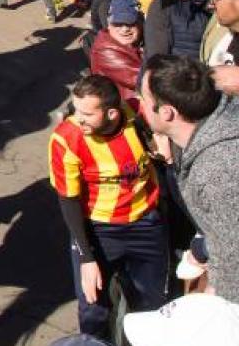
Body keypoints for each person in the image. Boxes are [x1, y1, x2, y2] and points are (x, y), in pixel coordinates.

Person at [48, 74, 166, 341]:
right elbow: (68, 201)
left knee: (150, 309)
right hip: (98, 231)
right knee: (93, 312)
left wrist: (164, 142)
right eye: (75, 109)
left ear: (112, 112)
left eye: (87, 114)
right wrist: (87, 259)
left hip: (145, 225)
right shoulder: (66, 138)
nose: (77, 119)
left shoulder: (138, 115)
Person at [140, 55, 239, 302]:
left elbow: (234, 262)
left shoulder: (217, 171)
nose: (138, 105)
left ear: (167, 113)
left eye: (143, 99)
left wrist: (216, 298)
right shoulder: (216, 123)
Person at [89, 0, 145, 110]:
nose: (125, 29)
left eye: (130, 23)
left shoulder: (136, 41)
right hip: (125, 109)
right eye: (118, 24)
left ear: (139, 23)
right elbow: (144, 80)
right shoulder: (105, 51)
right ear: (109, 25)